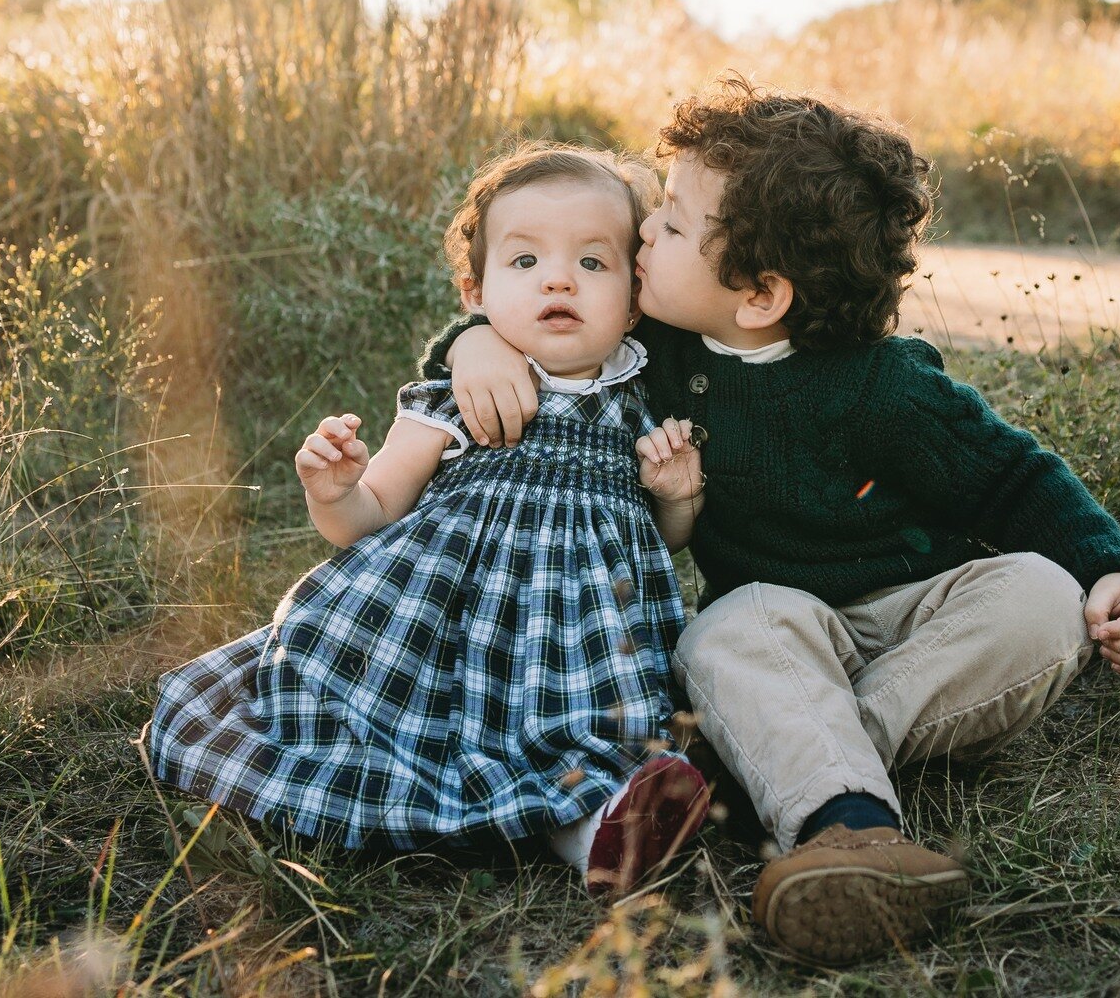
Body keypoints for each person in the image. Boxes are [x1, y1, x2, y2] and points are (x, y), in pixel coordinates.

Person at [425, 77, 1120, 963]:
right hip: (779, 633)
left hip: (920, 630)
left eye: (667, 221)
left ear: (758, 296)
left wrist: (1117, 569)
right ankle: (840, 811)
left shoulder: (882, 386)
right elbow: (535, 331)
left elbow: (1013, 479)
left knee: (1043, 596)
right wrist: (469, 342)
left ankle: (802, 768)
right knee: (725, 630)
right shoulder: (646, 347)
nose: (640, 235)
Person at [147, 143, 711, 895]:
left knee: (592, 733)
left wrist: (677, 496)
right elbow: (368, 516)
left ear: (634, 300)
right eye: (524, 262)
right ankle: (536, 811)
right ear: (474, 292)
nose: (557, 278)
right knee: (417, 727)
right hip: (443, 637)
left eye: (593, 263)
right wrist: (334, 490)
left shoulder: (638, 406)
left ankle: (597, 829)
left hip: (576, 647)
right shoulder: (455, 398)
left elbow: (654, 547)